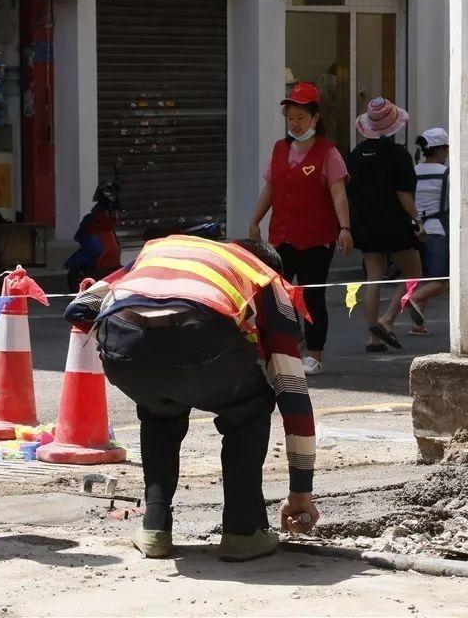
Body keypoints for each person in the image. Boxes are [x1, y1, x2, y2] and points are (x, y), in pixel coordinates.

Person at [65, 235, 319, 562]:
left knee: (159, 410)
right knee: (250, 409)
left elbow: (79, 307)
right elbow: (293, 393)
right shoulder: (264, 279)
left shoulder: (164, 252)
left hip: (123, 343)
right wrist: (300, 491)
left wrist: (143, 348)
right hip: (203, 342)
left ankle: (154, 529)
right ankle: (244, 532)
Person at [248, 82, 352, 376]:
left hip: (316, 238)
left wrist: (345, 227)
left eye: (301, 118)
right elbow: (270, 188)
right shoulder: (280, 149)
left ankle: (315, 354)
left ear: (315, 119)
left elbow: (338, 193)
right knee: (276, 295)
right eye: (290, 118)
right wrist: (255, 220)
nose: (294, 124)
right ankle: (277, 348)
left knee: (311, 296)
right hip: (282, 234)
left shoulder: (328, 152)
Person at [347, 97, 424, 351]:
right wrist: (417, 219)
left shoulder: (356, 155)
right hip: (394, 222)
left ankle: (373, 337)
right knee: (413, 272)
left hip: (365, 222)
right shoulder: (398, 154)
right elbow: (404, 195)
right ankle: (388, 318)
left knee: (373, 276)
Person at [408, 128, 450, 335]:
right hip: (436, 229)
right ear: (441, 149)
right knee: (441, 280)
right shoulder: (445, 173)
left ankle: (418, 325)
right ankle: (413, 299)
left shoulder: (414, 170)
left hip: (415, 228)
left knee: (423, 276)